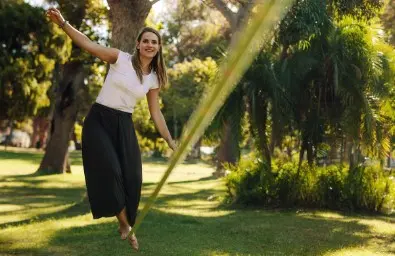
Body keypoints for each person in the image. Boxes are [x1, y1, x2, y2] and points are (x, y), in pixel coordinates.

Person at [46, 7, 177, 251]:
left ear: (158, 48)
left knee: (133, 177)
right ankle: (125, 225)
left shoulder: (153, 79)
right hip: (99, 121)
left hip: (124, 124)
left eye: (154, 42)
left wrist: (169, 139)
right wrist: (63, 23)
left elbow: (155, 112)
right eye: (146, 41)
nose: (150, 45)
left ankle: (126, 223)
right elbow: (88, 44)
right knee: (111, 170)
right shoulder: (120, 59)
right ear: (138, 44)